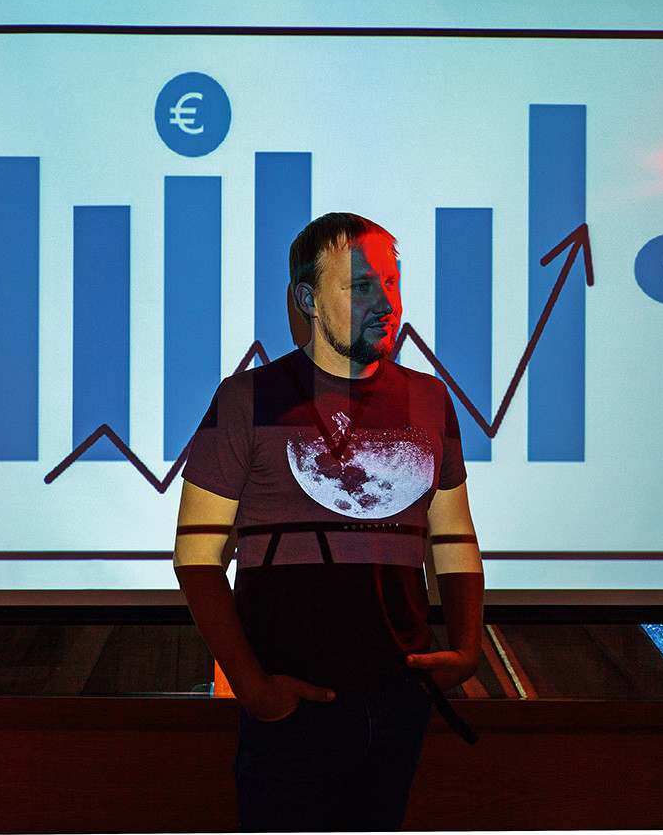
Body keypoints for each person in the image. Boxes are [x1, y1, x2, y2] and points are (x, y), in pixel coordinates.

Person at [174, 212, 484, 832]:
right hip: (292, 711)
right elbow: (196, 558)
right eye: (362, 286)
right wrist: (254, 689)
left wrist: (468, 648)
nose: (386, 303)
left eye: (391, 283)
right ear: (308, 300)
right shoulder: (246, 399)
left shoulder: (429, 399)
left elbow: (453, 538)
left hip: (400, 701)